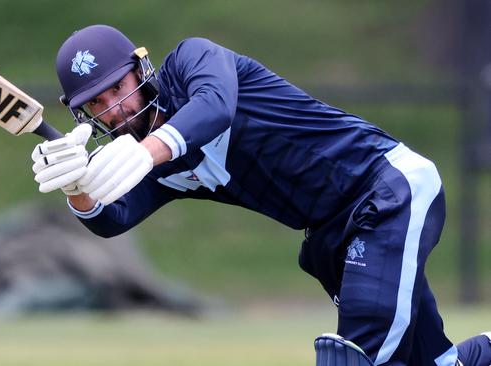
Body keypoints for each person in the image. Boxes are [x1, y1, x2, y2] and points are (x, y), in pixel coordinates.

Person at [30, 24, 491, 365]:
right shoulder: (155, 162)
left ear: (140, 70)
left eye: (117, 88)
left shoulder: (192, 62)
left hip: (386, 188)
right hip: (332, 237)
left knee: (356, 359)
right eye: (95, 103)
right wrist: (79, 189)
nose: (113, 109)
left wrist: (149, 152)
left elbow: (214, 105)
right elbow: (115, 219)